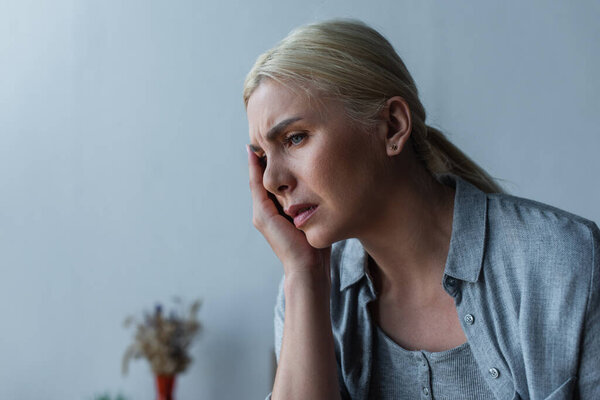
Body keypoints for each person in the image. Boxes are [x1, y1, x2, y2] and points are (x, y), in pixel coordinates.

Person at [243, 19, 599, 400]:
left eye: (295, 138)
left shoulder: (566, 263)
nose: (271, 180)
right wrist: (304, 274)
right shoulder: (308, 291)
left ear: (393, 126)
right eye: (263, 157)